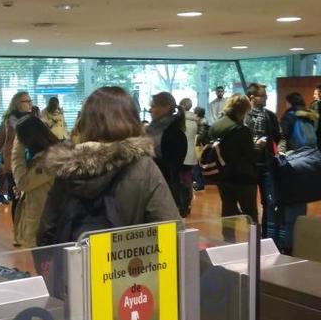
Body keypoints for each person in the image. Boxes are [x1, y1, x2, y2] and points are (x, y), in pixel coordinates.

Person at [37, 86, 181, 246]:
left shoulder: (67, 169)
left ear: (86, 122)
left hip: (76, 266)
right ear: (131, 119)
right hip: (131, 266)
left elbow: (45, 233)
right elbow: (171, 231)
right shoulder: (143, 167)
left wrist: (57, 269)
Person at [275, 92, 319, 253]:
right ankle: (300, 238)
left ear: (289, 103)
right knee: (301, 201)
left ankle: (288, 243)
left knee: (289, 202)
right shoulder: (310, 116)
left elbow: (282, 138)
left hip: (292, 161)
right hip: (309, 161)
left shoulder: (289, 116)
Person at [210, 94, 258, 224]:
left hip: (224, 176)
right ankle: (254, 242)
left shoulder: (216, 126)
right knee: (251, 213)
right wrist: (258, 147)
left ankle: (227, 240)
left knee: (228, 211)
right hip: (244, 178)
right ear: (244, 110)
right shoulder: (242, 130)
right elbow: (249, 155)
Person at [11, 116, 58, 247]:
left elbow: (23, 182)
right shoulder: (45, 154)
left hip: (44, 224)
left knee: (45, 265)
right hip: (46, 221)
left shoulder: (50, 159)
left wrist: (16, 150)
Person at [244, 83, 282, 238]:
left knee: (270, 202)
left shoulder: (270, 116)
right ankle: (253, 238)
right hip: (248, 166)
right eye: (263, 95)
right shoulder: (243, 116)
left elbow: (281, 137)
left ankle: (268, 236)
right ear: (253, 97)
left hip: (266, 164)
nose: (266, 98)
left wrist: (281, 151)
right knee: (249, 206)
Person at [0, 91, 33, 203]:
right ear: (17, 103)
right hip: (14, 164)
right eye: (27, 101)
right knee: (17, 199)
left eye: (30, 101)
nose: (30, 104)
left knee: (30, 199)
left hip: (31, 163)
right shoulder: (8, 122)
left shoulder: (33, 119)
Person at [147, 92, 189, 217]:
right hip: (151, 186)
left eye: (153, 106)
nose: (150, 110)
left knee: (165, 228)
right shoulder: (152, 130)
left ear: (165, 108)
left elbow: (173, 166)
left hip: (166, 188)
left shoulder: (175, 134)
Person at [179, 98, 200, 214]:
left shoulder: (180, 121)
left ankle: (182, 205)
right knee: (188, 179)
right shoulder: (194, 121)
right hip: (191, 154)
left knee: (180, 180)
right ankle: (188, 204)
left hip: (181, 154)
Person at [192, 106, 210, 191]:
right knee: (197, 166)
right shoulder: (202, 122)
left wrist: (194, 138)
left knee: (196, 165)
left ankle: (200, 184)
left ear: (197, 113)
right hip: (200, 146)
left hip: (200, 146)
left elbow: (201, 136)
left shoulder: (202, 123)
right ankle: (200, 183)